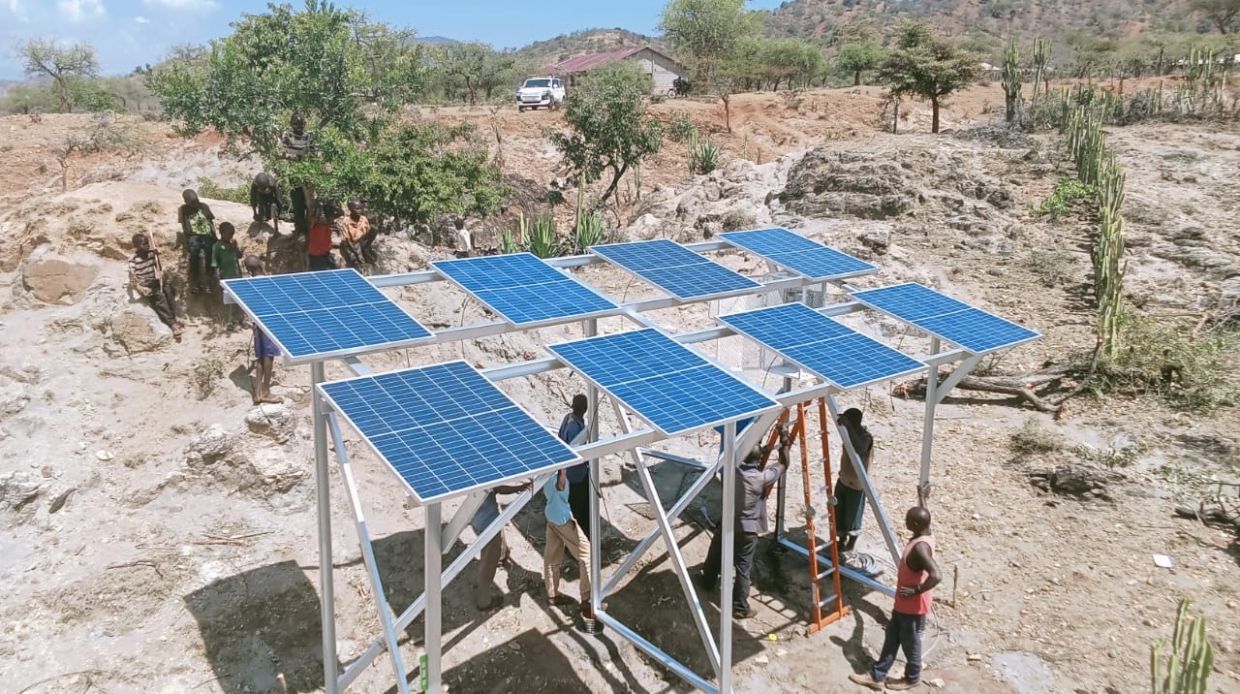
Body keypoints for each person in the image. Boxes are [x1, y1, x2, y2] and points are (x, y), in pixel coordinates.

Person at [850, 489, 941, 691]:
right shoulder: (927, 533)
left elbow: (936, 575)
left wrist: (916, 590)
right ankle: (877, 675)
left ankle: (912, 677)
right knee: (892, 636)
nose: (904, 522)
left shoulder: (920, 548)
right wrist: (922, 499)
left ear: (915, 524)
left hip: (911, 604)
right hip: (904, 602)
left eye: (908, 520)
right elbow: (925, 518)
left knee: (910, 643)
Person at [698, 424, 791, 620]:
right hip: (747, 529)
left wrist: (759, 450)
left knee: (716, 552)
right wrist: (784, 441)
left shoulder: (733, 470)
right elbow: (784, 464)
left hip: (728, 522)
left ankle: (707, 581)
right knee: (743, 568)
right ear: (758, 461)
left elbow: (742, 454)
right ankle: (740, 607)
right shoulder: (761, 478)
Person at [543, 466, 597, 620]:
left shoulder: (544, 472)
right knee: (587, 554)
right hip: (563, 519)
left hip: (551, 516)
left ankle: (552, 595)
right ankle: (587, 599)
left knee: (551, 557)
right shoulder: (559, 475)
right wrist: (563, 469)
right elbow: (560, 486)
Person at [471, 480, 532, 611]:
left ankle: (501, 557)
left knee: (498, 544)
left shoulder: (472, 476)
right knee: (488, 565)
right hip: (487, 526)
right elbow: (499, 488)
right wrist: (521, 487)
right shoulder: (484, 477)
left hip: (481, 520)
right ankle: (484, 601)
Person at [243, 255, 284, 405]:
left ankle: (258, 392)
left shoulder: (247, 284)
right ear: (261, 264)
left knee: (260, 355)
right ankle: (266, 392)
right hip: (269, 322)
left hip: (256, 323)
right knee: (269, 355)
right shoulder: (269, 282)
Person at [127, 233, 182, 341]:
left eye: (147, 243)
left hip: (153, 281)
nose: (147, 246)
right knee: (160, 296)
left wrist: (157, 257)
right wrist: (139, 287)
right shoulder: (133, 259)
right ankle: (173, 324)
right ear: (136, 246)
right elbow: (132, 276)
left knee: (168, 289)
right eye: (143, 244)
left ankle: (172, 315)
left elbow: (159, 268)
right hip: (144, 283)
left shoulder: (151, 254)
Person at [835, 408, 875, 554]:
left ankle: (851, 545)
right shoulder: (848, 433)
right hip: (843, 479)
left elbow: (859, 449)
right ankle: (841, 541)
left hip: (856, 484)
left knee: (852, 516)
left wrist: (848, 427)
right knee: (838, 512)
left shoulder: (866, 437)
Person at [559, 395, 591, 540]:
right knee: (577, 510)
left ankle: (584, 537)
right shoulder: (574, 428)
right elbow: (576, 455)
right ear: (585, 409)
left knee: (585, 508)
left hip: (576, 475)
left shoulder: (569, 418)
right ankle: (575, 541)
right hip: (575, 477)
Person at [178, 189, 217, 294]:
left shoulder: (203, 206)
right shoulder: (183, 210)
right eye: (192, 202)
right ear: (186, 201)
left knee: (210, 252)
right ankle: (195, 281)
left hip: (206, 234)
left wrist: (214, 236)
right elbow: (184, 225)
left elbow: (210, 222)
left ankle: (209, 280)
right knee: (194, 253)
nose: (195, 204)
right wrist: (187, 239)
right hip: (194, 234)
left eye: (196, 201)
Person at [281, 113, 312, 235]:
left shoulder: (307, 135)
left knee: (309, 201)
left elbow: (311, 151)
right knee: (297, 201)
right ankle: (300, 228)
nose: (299, 126)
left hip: (306, 172)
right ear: (291, 124)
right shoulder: (288, 135)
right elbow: (283, 150)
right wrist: (296, 157)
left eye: (301, 124)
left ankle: (310, 227)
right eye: (296, 124)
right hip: (294, 173)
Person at [337, 200, 377, 267]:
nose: (360, 211)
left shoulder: (363, 218)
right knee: (356, 260)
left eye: (361, 208)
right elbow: (347, 239)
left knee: (374, 229)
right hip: (352, 243)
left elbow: (367, 231)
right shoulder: (346, 221)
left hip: (361, 240)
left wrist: (364, 243)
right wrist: (357, 254)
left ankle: (366, 249)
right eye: (357, 209)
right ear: (350, 209)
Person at [307, 203, 338, 271]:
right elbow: (311, 222)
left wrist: (323, 206)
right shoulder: (315, 223)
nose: (333, 220)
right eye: (332, 217)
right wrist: (319, 208)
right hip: (316, 256)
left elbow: (341, 212)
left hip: (326, 254)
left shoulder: (327, 222)